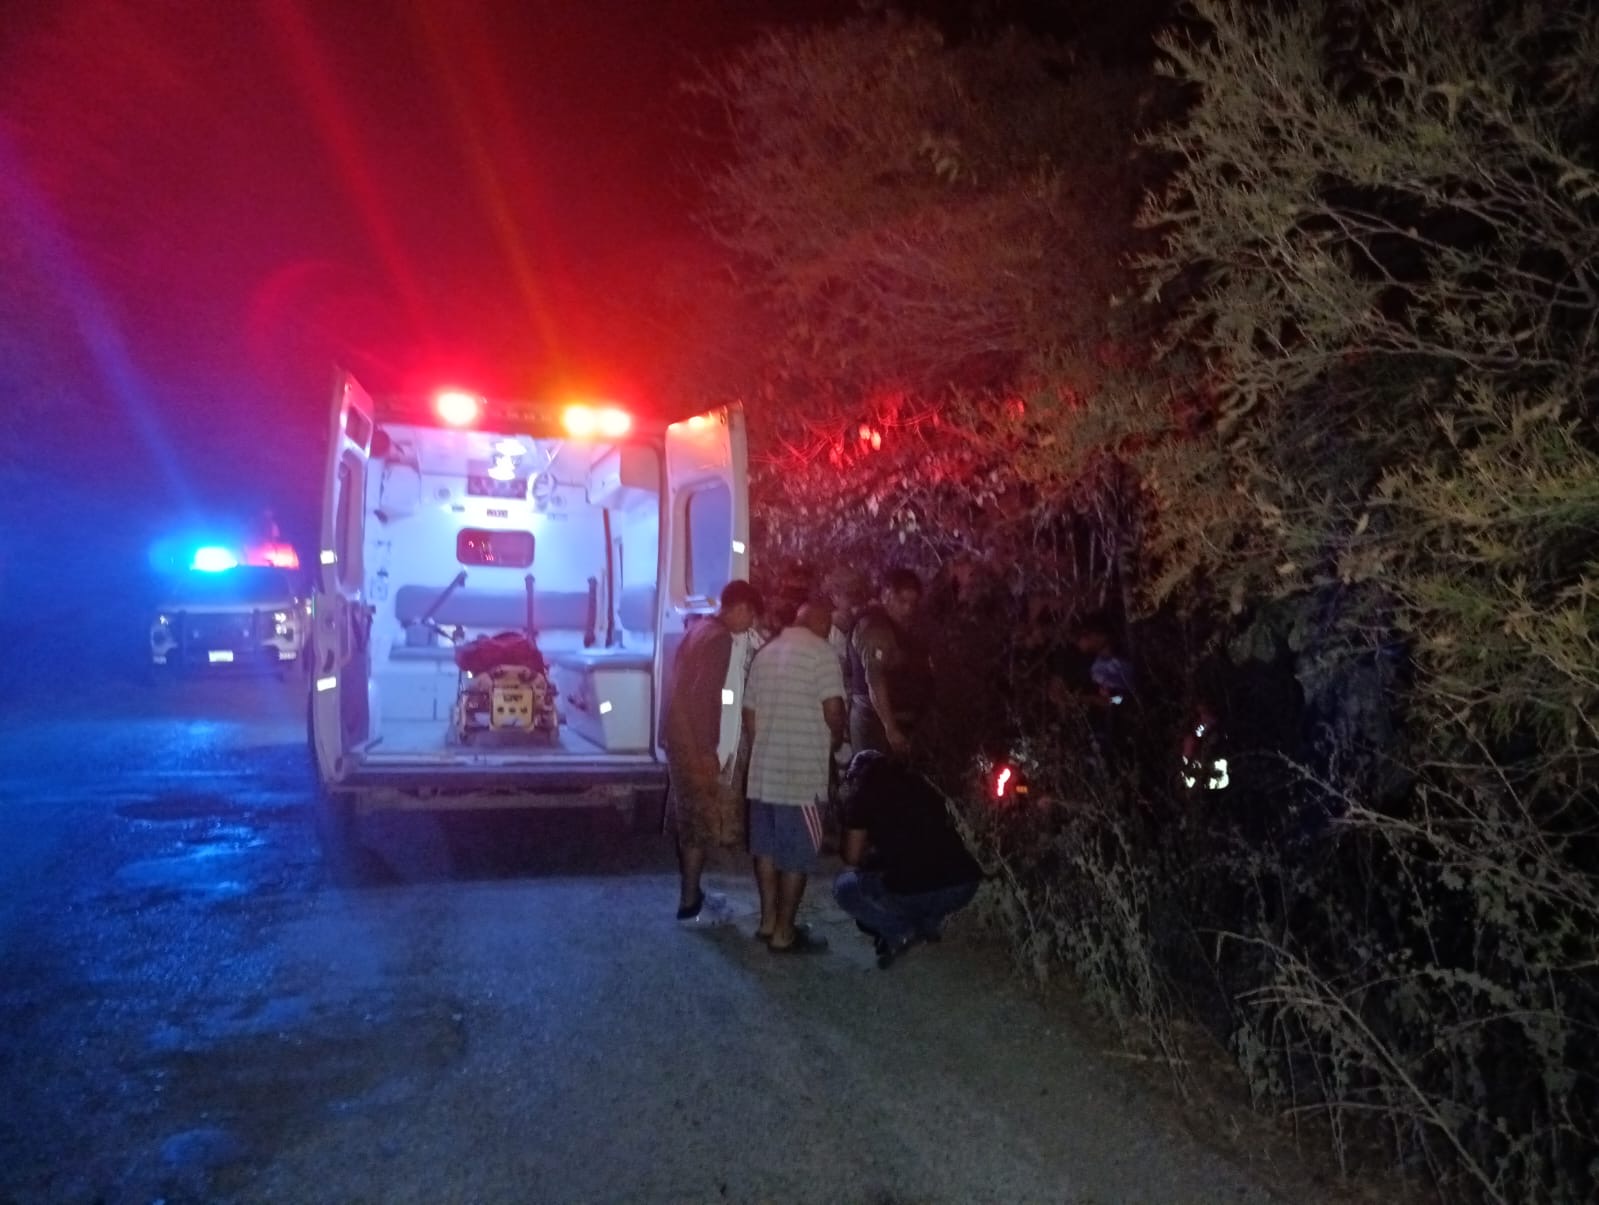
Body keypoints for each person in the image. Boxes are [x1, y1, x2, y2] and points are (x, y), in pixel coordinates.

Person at [742, 598, 846, 953]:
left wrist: (764, 747)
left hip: (763, 772)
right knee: (798, 855)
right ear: (822, 623)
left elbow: (749, 713)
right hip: (800, 773)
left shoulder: (766, 653)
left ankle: (768, 921)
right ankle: (785, 933)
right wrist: (837, 739)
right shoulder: (822, 654)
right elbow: (834, 709)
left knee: (767, 850)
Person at [664, 579, 764, 924]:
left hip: (679, 738)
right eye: (751, 616)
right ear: (741, 608)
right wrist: (708, 751)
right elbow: (704, 697)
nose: (750, 625)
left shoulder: (698, 628)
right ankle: (690, 902)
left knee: (692, 823)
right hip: (693, 744)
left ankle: (692, 894)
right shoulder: (720, 639)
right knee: (698, 826)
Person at [834, 750, 982, 969]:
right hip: (964, 886)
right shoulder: (922, 781)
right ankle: (927, 928)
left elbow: (851, 857)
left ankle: (900, 931)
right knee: (916, 877)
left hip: (919, 890)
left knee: (845, 886)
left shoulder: (863, 793)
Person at [845, 568, 932, 758]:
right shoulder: (875, 628)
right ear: (886, 595)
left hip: (896, 722)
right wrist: (890, 728)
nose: (908, 609)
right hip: (875, 725)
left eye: (912, 603)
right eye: (902, 601)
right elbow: (875, 679)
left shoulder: (898, 626)